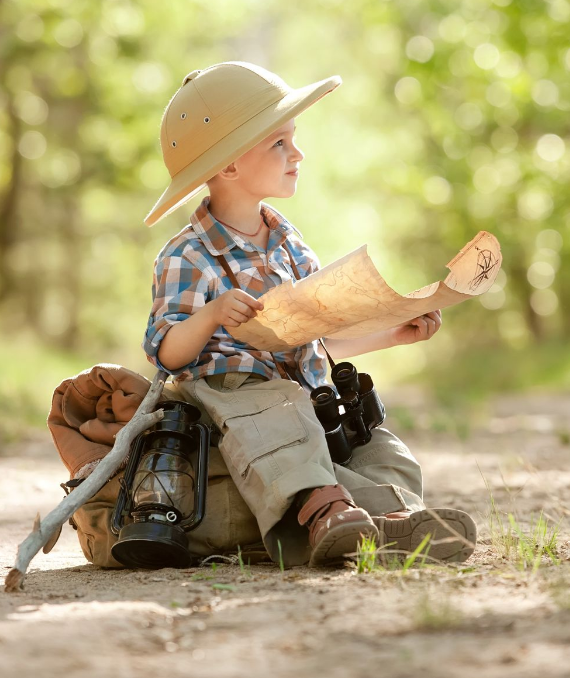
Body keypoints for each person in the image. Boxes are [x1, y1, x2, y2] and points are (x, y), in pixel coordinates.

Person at [141, 61, 476, 567]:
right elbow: (167, 353)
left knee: (381, 450)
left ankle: (388, 521)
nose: (297, 154)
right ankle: (324, 510)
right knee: (279, 413)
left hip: (305, 400)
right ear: (229, 165)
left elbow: (314, 341)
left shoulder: (288, 244)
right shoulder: (187, 256)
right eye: (279, 143)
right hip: (239, 404)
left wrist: (391, 334)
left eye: (293, 139)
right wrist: (210, 316)